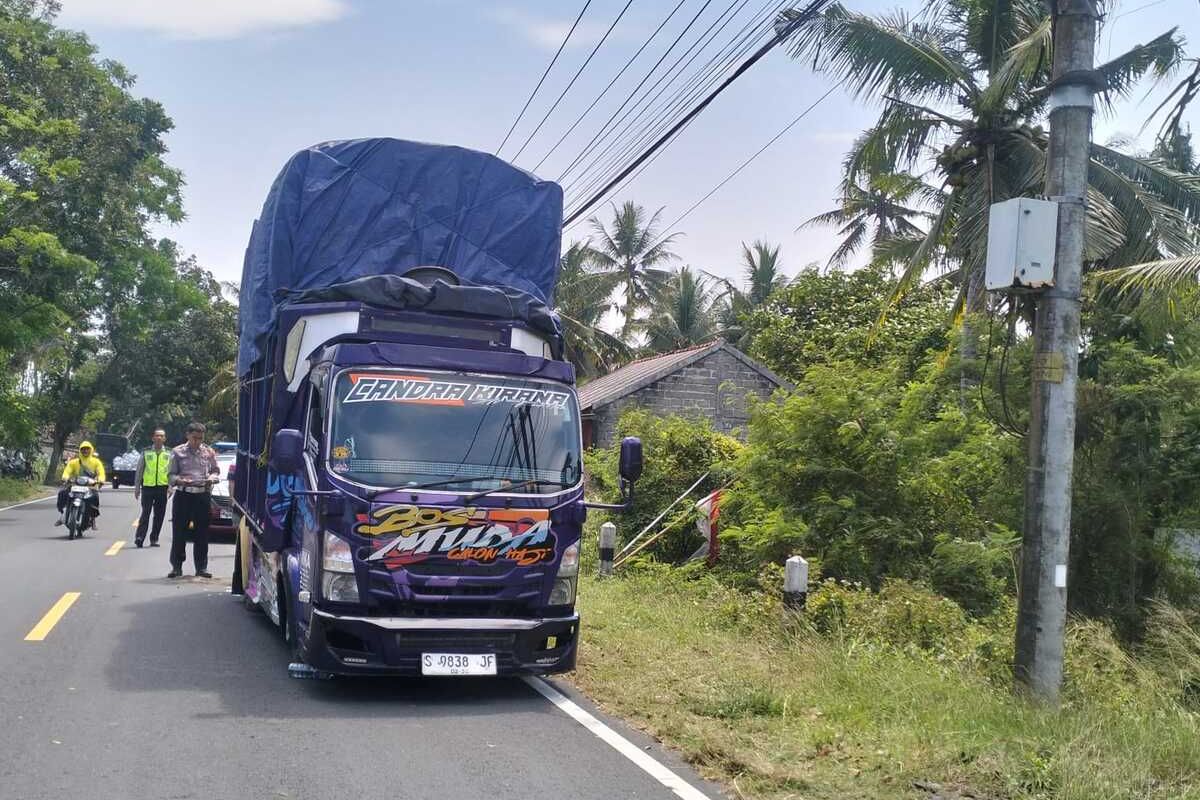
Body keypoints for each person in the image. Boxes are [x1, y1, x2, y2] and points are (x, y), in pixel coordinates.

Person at [167, 422, 220, 579]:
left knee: (202, 533)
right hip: (184, 495)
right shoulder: (177, 452)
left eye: (200, 438)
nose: (197, 441)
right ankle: (176, 567)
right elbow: (170, 475)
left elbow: (215, 471)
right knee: (179, 532)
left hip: (202, 495)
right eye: (194, 438)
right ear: (187, 435)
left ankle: (201, 568)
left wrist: (211, 478)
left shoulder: (208, 452)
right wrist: (180, 481)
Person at [133, 428, 171, 548]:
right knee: (145, 513)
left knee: (159, 515)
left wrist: (171, 487)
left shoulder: (170, 453)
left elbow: (172, 471)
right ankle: (139, 537)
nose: (159, 438)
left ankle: (154, 538)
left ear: (164, 438)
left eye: (161, 436)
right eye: (157, 436)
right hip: (148, 487)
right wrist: (137, 487)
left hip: (162, 487)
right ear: (153, 438)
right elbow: (139, 470)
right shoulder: (146, 452)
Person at [56, 441, 105, 527]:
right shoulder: (74, 462)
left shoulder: (96, 462)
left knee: (95, 498)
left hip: (90, 486)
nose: (85, 451)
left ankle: (92, 518)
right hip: (75, 485)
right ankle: (62, 514)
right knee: (62, 493)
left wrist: (100, 480)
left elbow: (101, 473)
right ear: (80, 450)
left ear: (91, 450)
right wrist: (65, 477)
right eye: (83, 449)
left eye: (87, 449)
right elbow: (67, 471)